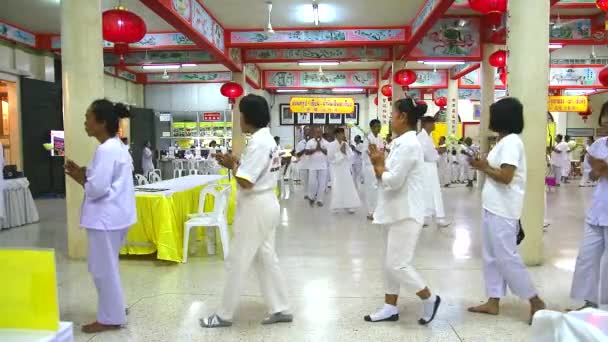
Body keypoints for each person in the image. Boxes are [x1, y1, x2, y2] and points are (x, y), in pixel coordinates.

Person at [201, 94, 291, 328]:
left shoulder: (259, 143)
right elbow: (253, 173)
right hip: (266, 202)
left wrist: (232, 165)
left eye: (240, 114)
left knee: (237, 260)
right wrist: (235, 163)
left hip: (255, 207)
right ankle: (280, 307)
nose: (239, 118)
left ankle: (223, 314)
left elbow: (246, 182)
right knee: (265, 257)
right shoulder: (267, 140)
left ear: (247, 117)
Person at [364, 98, 441, 325]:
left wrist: (379, 166)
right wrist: (379, 161)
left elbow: (394, 180)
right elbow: (392, 173)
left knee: (399, 264)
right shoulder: (401, 142)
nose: (389, 119)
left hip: (406, 212)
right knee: (389, 263)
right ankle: (390, 306)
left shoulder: (409, 144)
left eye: (392, 114)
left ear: (402, 117)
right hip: (395, 209)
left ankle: (430, 298)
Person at [468, 97, 546, 323]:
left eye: (492, 114)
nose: (489, 119)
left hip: (504, 209)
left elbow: (506, 177)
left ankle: (535, 301)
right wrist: (480, 165)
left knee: (506, 258)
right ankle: (493, 301)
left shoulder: (512, 142)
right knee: (491, 256)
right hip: (492, 206)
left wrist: (484, 167)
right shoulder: (503, 141)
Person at [64, 99, 136, 333]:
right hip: (115, 216)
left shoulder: (106, 150)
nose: (85, 122)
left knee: (101, 268)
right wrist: (85, 173)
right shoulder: (116, 146)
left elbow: (97, 189)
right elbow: (104, 179)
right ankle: (116, 307)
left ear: (102, 122)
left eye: (88, 118)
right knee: (108, 266)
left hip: (106, 218)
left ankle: (111, 317)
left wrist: (79, 177)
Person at [570, 136, 608, 310]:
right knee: (587, 257)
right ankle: (589, 302)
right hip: (598, 209)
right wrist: (597, 170)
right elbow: (590, 171)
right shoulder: (599, 144)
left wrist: (604, 169)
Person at [417, 117, 450, 228]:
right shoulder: (421, 137)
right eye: (433, 123)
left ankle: (438, 217)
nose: (435, 125)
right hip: (425, 167)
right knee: (427, 192)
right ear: (426, 124)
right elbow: (426, 154)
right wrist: (438, 151)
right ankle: (426, 217)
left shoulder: (428, 136)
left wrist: (437, 151)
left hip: (430, 167)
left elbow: (430, 151)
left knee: (434, 192)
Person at [328, 128, 361, 213]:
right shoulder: (331, 145)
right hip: (335, 169)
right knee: (336, 187)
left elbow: (351, 156)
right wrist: (341, 153)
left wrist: (344, 153)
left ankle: (349, 205)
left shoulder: (345, 144)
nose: (342, 135)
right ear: (336, 135)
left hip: (345, 168)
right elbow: (330, 158)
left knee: (348, 186)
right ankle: (336, 206)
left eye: (343, 134)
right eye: (340, 134)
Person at [361, 119, 384, 220]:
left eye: (379, 126)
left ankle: (378, 210)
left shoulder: (380, 138)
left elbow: (382, 151)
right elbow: (369, 152)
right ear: (371, 127)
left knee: (378, 189)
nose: (378, 128)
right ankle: (371, 212)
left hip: (379, 165)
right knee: (370, 189)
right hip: (370, 166)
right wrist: (375, 152)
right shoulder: (367, 139)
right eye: (376, 126)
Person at [305, 127, 329, 207]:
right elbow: (307, 152)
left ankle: (320, 199)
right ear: (314, 133)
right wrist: (315, 149)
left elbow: (328, 153)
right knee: (312, 183)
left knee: (322, 184)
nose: (318, 134)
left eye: (319, 132)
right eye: (317, 132)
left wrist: (321, 149)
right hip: (312, 166)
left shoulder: (326, 142)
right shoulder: (310, 142)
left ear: (321, 133)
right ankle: (311, 197)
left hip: (323, 166)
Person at [295, 129, 311, 197]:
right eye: (306, 133)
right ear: (304, 134)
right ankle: (306, 194)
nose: (308, 135)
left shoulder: (313, 142)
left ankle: (311, 193)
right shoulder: (300, 143)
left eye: (309, 133)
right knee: (304, 181)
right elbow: (297, 155)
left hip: (312, 166)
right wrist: (304, 150)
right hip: (303, 165)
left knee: (312, 181)